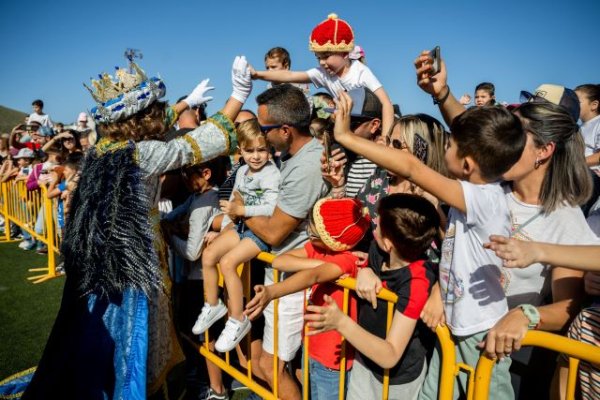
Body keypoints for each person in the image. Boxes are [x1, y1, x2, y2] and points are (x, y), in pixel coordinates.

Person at [16, 55, 253, 400]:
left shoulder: (102, 148)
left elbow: (158, 124)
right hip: (134, 260)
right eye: (152, 110)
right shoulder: (142, 155)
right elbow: (200, 142)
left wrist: (187, 102)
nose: (160, 113)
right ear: (139, 119)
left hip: (104, 259)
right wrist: (239, 95)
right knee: (140, 329)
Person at [415, 50, 598, 399]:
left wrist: (527, 315)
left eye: (516, 136)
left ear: (544, 150)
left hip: (503, 363)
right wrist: (441, 289)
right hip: (451, 345)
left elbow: (567, 308)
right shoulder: (490, 188)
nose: (503, 143)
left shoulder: (564, 219)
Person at [331, 88, 526, 400]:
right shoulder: (473, 196)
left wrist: (345, 136)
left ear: (467, 164)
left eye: (449, 144)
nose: (443, 147)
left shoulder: (483, 198)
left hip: (480, 330)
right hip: (455, 326)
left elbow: (412, 167)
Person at [228, 84, 328, 400]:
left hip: (293, 280)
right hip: (278, 274)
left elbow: (274, 232)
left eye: (264, 128)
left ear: (285, 130)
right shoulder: (290, 157)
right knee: (261, 362)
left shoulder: (307, 165)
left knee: (273, 367)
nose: (261, 135)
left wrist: (239, 208)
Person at [305, 194, 439, 400]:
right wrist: (365, 270)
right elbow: (367, 261)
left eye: (377, 226)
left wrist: (341, 322)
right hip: (364, 361)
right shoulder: (378, 249)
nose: (373, 228)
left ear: (388, 244)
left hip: (395, 381)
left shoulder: (417, 282)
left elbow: (391, 355)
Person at [245, 197, 370, 400]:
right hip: (311, 347)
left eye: (313, 232)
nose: (308, 233)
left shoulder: (348, 260)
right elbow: (279, 261)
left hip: (333, 359)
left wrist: (272, 292)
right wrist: (320, 265)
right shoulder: (320, 251)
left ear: (331, 237)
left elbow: (315, 277)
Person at [194, 118, 280, 354]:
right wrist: (223, 231)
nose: (255, 156)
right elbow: (234, 204)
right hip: (241, 228)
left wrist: (241, 211)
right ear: (240, 150)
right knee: (210, 254)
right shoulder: (241, 171)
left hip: (261, 232)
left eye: (261, 150)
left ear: (269, 149)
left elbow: (272, 207)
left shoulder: (272, 174)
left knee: (228, 262)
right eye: (249, 150)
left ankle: (238, 318)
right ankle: (213, 305)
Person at [250, 13, 394, 138]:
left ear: (345, 53)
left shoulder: (361, 72)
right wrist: (257, 74)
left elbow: (386, 103)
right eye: (319, 58)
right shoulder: (323, 74)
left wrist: (385, 138)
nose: (323, 62)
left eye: (326, 56)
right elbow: (290, 75)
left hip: (372, 129)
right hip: (347, 129)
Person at [575, 84, 600, 216]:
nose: (572, 104)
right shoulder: (578, 128)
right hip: (576, 173)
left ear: (594, 105)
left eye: (577, 101)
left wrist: (577, 164)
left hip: (592, 176)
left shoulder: (598, 123)